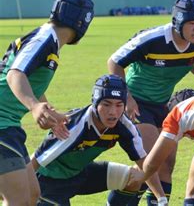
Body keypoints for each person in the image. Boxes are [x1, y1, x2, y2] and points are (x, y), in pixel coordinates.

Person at [107, 0, 194, 204]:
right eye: (192, 23)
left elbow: (193, 61)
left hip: (162, 105)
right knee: (150, 162)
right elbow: (114, 62)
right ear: (178, 21)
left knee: (167, 163)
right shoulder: (153, 39)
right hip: (137, 104)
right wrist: (126, 98)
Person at [0, 0, 94, 205]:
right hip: (2, 126)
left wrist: (49, 112)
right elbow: (16, 74)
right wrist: (34, 107)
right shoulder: (44, 38)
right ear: (82, 22)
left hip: (8, 125)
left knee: (32, 194)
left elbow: (31, 81)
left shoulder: (49, 40)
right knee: (19, 199)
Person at [31, 74, 166, 206]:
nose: (113, 112)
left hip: (80, 173)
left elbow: (145, 164)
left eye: (119, 105)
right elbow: (32, 164)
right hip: (48, 183)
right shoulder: (73, 126)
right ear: (95, 103)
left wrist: (161, 198)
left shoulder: (125, 126)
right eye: (106, 104)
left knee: (136, 177)